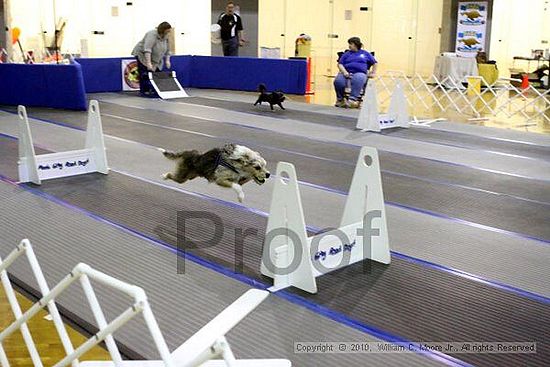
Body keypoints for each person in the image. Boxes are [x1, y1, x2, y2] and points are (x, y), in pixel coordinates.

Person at [333, 37, 377, 108]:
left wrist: (373, 72)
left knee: (358, 78)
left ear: (356, 44)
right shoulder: (346, 54)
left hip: (360, 72)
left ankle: (352, 99)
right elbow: (340, 64)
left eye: (351, 44)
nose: (349, 46)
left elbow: (375, 63)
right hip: (346, 72)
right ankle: (340, 99)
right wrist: (344, 72)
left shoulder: (365, 53)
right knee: (338, 81)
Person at [132, 21, 172, 96]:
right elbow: (147, 49)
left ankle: (155, 90)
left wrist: (167, 61)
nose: (169, 32)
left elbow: (168, 50)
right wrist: (148, 63)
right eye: (167, 30)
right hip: (143, 54)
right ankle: (144, 91)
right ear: (163, 29)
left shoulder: (166, 36)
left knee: (157, 72)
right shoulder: (152, 34)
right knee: (145, 73)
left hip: (156, 58)